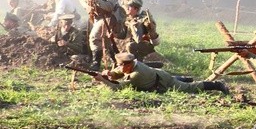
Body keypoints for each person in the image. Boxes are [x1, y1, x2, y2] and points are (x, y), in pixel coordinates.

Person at [93, 52, 228, 93]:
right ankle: (183, 78)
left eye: (122, 66)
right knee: (180, 81)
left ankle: (217, 84)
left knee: (189, 88)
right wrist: (111, 74)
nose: (119, 68)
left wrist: (103, 80)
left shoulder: (136, 75)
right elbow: (119, 72)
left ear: (128, 65)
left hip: (163, 81)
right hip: (156, 75)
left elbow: (118, 87)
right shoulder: (132, 64)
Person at [79, 0, 121, 69]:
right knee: (106, 40)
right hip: (94, 15)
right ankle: (116, 61)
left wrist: (96, 0)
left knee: (94, 37)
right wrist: (86, 6)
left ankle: (96, 63)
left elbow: (110, 6)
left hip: (107, 16)